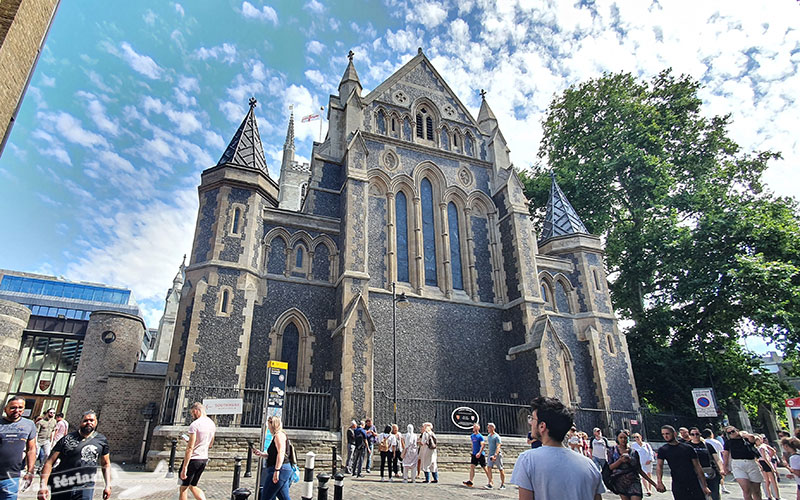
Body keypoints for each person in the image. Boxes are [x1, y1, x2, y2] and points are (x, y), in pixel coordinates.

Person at [510, 396, 605, 499]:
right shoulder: (590, 465)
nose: (530, 423)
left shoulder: (527, 460)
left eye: (532, 419)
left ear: (542, 426)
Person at [38, 410, 111, 500]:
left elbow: (106, 464)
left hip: (85, 487)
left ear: (96, 422)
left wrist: (108, 485)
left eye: (91, 420)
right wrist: (43, 485)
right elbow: (49, 463)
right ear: (80, 422)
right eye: (85, 420)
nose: (89, 423)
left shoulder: (102, 441)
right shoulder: (67, 439)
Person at [655, 425, 711, 500]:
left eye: (667, 434)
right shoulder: (663, 450)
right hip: (678, 483)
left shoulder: (688, 448)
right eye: (663, 434)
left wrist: (704, 486)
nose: (665, 436)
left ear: (674, 434)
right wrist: (659, 482)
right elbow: (659, 466)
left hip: (692, 481)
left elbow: (698, 466)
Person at [177, 402, 215, 500]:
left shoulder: (195, 425)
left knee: (183, 488)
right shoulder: (211, 423)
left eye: (192, 414)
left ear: (196, 411)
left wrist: (184, 467)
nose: (192, 416)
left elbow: (190, 448)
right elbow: (210, 444)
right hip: (203, 459)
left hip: (193, 459)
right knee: (193, 485)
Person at [1, 396, 37, 500]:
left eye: (20, 408)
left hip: (12, 477)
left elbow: (31, 449)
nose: (17, 410)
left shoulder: (29, 425)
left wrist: (30, 471)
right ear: (5, 409)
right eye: (13, 408)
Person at [608, 430, 658, 500]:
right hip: (620, 482)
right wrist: (620, 461)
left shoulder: (634, 452)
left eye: (625, 438)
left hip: (633, 481)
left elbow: (639, 470)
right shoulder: (612, 451)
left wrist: (654, 485)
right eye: (621, 437)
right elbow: (610, 467)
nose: (623, 440)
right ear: (617, 439)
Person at [254, 415, 293, 500]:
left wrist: (277, 470)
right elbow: (274, 455)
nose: (268, 428)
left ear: (273, 425)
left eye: (269, 425)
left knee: (266, 496)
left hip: (280, 469)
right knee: (284, 497)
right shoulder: (279, 435)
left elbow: (281, 453)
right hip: (283, 469)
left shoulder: (279, 435)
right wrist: (261, 454)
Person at [722, 426, 764, 500]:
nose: (732, 434)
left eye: (733, 431)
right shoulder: (728, 442)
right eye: (729, 433)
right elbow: (726, 454)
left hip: (751, 463)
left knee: (756, 490)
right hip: (738, 464)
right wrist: (725, 467)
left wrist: (744, 434)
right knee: (746, 489)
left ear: (737, 430)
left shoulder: (746, 439)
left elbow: (753, 438)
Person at [687, 426, 723, 500]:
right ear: (690, 436)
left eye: (697, 434)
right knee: (700, 494)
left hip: (710, 471)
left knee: (714, 494)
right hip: (695, 473)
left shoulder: (707, 445)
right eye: (692, 434)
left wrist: (721, 469)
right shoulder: (687, 446)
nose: (695, 436)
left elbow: (717, 459)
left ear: (700, 434)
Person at [703, 428, 732, 494]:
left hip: (708, 462)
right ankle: (722, 487)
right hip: (718, 460)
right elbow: (723, 451)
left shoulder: (703, 442)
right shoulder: (716, 442)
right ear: (711, 434)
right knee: (720, 475)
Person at [463, 423, 490, 488]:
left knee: (484, 467)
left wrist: (479, 453)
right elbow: (472, 444)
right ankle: (470, 481)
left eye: (475, 427)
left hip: (480, 454)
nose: (473, 428)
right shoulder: (472, 436)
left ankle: (490, 480)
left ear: (478, 428)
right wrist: (472, 452)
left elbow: (483, 445)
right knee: (472, 466)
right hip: (474, 454)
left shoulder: (480, 436)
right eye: (473, 427)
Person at [755, 435, 780, 500]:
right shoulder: (763, 447)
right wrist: (771, 466)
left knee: (767, 481)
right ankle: (777, 496)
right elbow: (767, 455)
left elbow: (756, 459)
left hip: (761, 462)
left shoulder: (756, 447)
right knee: (773, 480)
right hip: (766, 462)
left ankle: (769, 496)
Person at [485, 423, 506, 490]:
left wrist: (495, 455)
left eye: (489, 427)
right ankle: (490, 483)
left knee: (500, 469)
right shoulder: (489, 436)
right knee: (489, 467)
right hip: (490, 454)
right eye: (488, 427)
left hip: (497, 455)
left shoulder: (497, 436)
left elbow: (498, 446)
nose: (488, 429)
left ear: (493, 428)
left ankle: (503, 484)